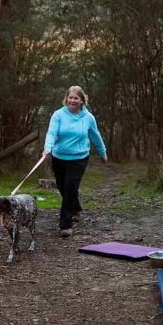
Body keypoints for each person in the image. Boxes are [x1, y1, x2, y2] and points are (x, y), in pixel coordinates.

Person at [42, 85, 107, 238]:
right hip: (58, 157)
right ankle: (75, 207)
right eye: (70, 98)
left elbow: (95, 136)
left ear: (82, 100)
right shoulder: (58, 115)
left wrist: (103, 152)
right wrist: (47, 148)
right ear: (66, 99)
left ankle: (66, 224)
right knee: (62, 187)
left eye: (76, 98)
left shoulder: (88, 118)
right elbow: (51, 133)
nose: (72, 100)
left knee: (70, 186)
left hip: (79, 158)